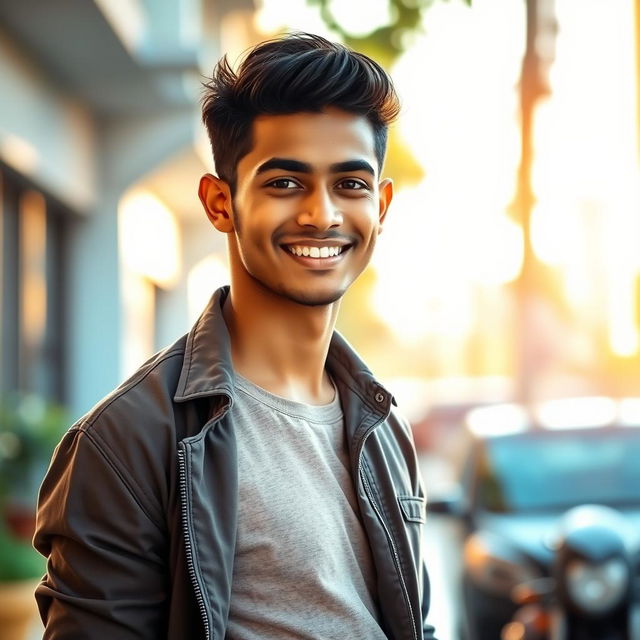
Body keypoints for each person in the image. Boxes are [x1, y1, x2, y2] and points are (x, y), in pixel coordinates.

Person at [34, 32, 438, 640]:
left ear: (380, 205)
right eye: (284, 183)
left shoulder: (383, 425)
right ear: (221, 203)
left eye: (350, 184)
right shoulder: (126, 442)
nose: (322, 214)